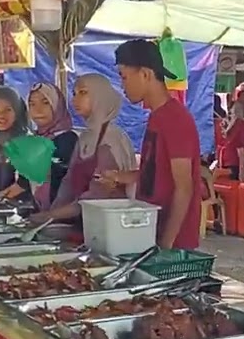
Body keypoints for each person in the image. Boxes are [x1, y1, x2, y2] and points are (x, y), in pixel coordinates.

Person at [105, 40, 203, 249]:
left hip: (172, 242)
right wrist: (121, 177)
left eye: (124, 77)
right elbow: (156, 172)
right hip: (150, 231)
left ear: (145, 74)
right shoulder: (156, 117)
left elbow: (184, 188)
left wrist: (165, 244)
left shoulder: (175, 119)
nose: (122, 85)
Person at [33, 74, 137, 224]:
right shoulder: (85, 136)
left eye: (83, 92)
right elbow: (68, 183)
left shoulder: (111, 138)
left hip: (108, 225)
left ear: (100, 96)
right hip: (82, 221)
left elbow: (98, 196)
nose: (75, 99)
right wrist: (52, 214)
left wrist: (52, 215)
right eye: (74, 93)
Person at [26, 82, 78, 208]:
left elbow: (62, 182)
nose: (38, 110)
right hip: (42, 211)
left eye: (45, 103)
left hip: (62, 213)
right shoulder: (35, 140)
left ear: (57, 105)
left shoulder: (67, 140)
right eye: (32, 104)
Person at [0, 85, 34, 202]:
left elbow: (22, 185)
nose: (1, 115)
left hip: (20, 207)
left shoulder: (26, 141)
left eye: (8, 110)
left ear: (17, 112)